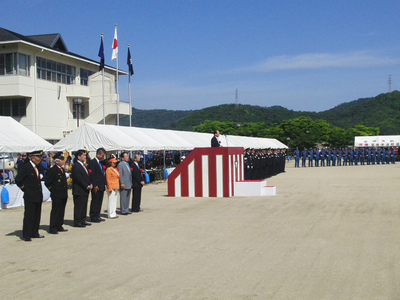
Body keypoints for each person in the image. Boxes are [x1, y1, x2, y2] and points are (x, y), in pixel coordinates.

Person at [15, 150, 44, 242]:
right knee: (29, 215)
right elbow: (18, 180)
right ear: (32, 157)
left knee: (37, 215)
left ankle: (35, 232)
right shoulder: (26, 167)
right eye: (38, 157)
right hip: (30, 195)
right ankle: (27, 234)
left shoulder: (37, 167)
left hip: (38, 195)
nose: (40, 159)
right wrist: (25, 189)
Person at [44, 152, 68, 234]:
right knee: (56, 211)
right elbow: (47, 182)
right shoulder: (53, 170)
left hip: (63, 194)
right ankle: (53, 227)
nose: (63, 161)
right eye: (61, 160)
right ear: (57, 161)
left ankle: (59, 225)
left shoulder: (62, 169)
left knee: (61, 210)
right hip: (56, 194)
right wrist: (53, 190)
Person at [71, 149, 93, 228]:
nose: (85, 157)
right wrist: (86, 186)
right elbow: (78, 178)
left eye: (85, 155)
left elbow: (87, 176)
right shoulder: (76, 166)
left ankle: (83, 220)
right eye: (83, 155)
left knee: (84, 206)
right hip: (79, 190)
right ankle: (77, 221)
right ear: (79, 156)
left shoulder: (84, 166)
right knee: (79, 206)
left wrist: (90, 184)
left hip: (85, 190)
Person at [88, 148, 106, 223]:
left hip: (101, 185)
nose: (103, 157)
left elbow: (102, 174)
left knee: (99, 201)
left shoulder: (100, 163)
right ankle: (93, 215)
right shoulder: (93, 162)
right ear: (98, 154)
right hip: (96, 186)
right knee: (95, 201)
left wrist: (104, 184)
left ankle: (97, 215)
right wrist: (95, 185)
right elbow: (92, 175)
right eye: (102, 155)